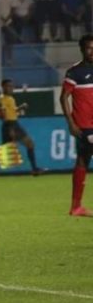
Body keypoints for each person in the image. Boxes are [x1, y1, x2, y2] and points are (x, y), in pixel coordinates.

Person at [0, 79, 43, 179]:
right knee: (29, 144)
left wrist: (20, 108)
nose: (11, 88)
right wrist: (10, 128)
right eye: (8, 86)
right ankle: (34, 169)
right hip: (10, 124)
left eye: (11, 86)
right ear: (3, 87)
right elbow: (3, 113)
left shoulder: (10, 98)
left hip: (13, 123)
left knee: (6, 149)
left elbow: (12, 111)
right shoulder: (3, 98)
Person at [60, 34, 93, 217]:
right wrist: (71, 123)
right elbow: (63, 97)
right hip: (84, 126)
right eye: (89, 48)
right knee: (83, 160)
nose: (92, 52)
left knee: (82, 161)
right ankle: (76, 207)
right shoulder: (75, 72)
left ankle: (76, 207)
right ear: (82, 49)